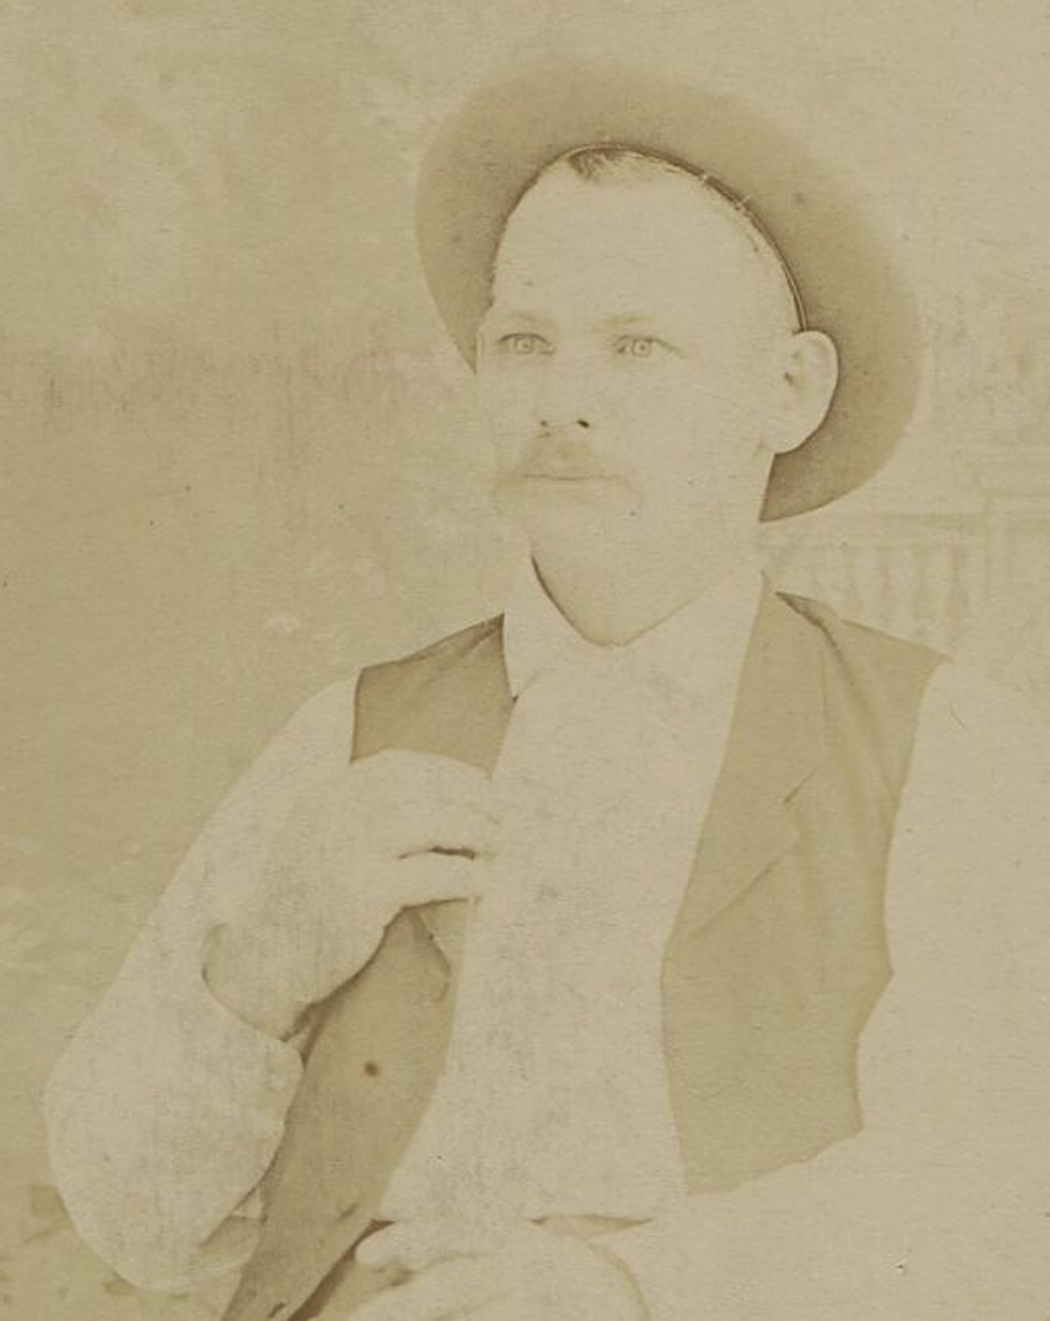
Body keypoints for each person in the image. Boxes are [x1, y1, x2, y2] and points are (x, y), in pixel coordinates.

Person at [44, 63, 1050, 1321]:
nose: (563, 402)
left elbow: (1002, 1190)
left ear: (786, 392)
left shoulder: (945, 746)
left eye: (637, 346)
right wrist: (257, 970)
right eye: (525, 342)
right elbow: (132, 1221)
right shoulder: (351, 734)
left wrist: (618, 1283)